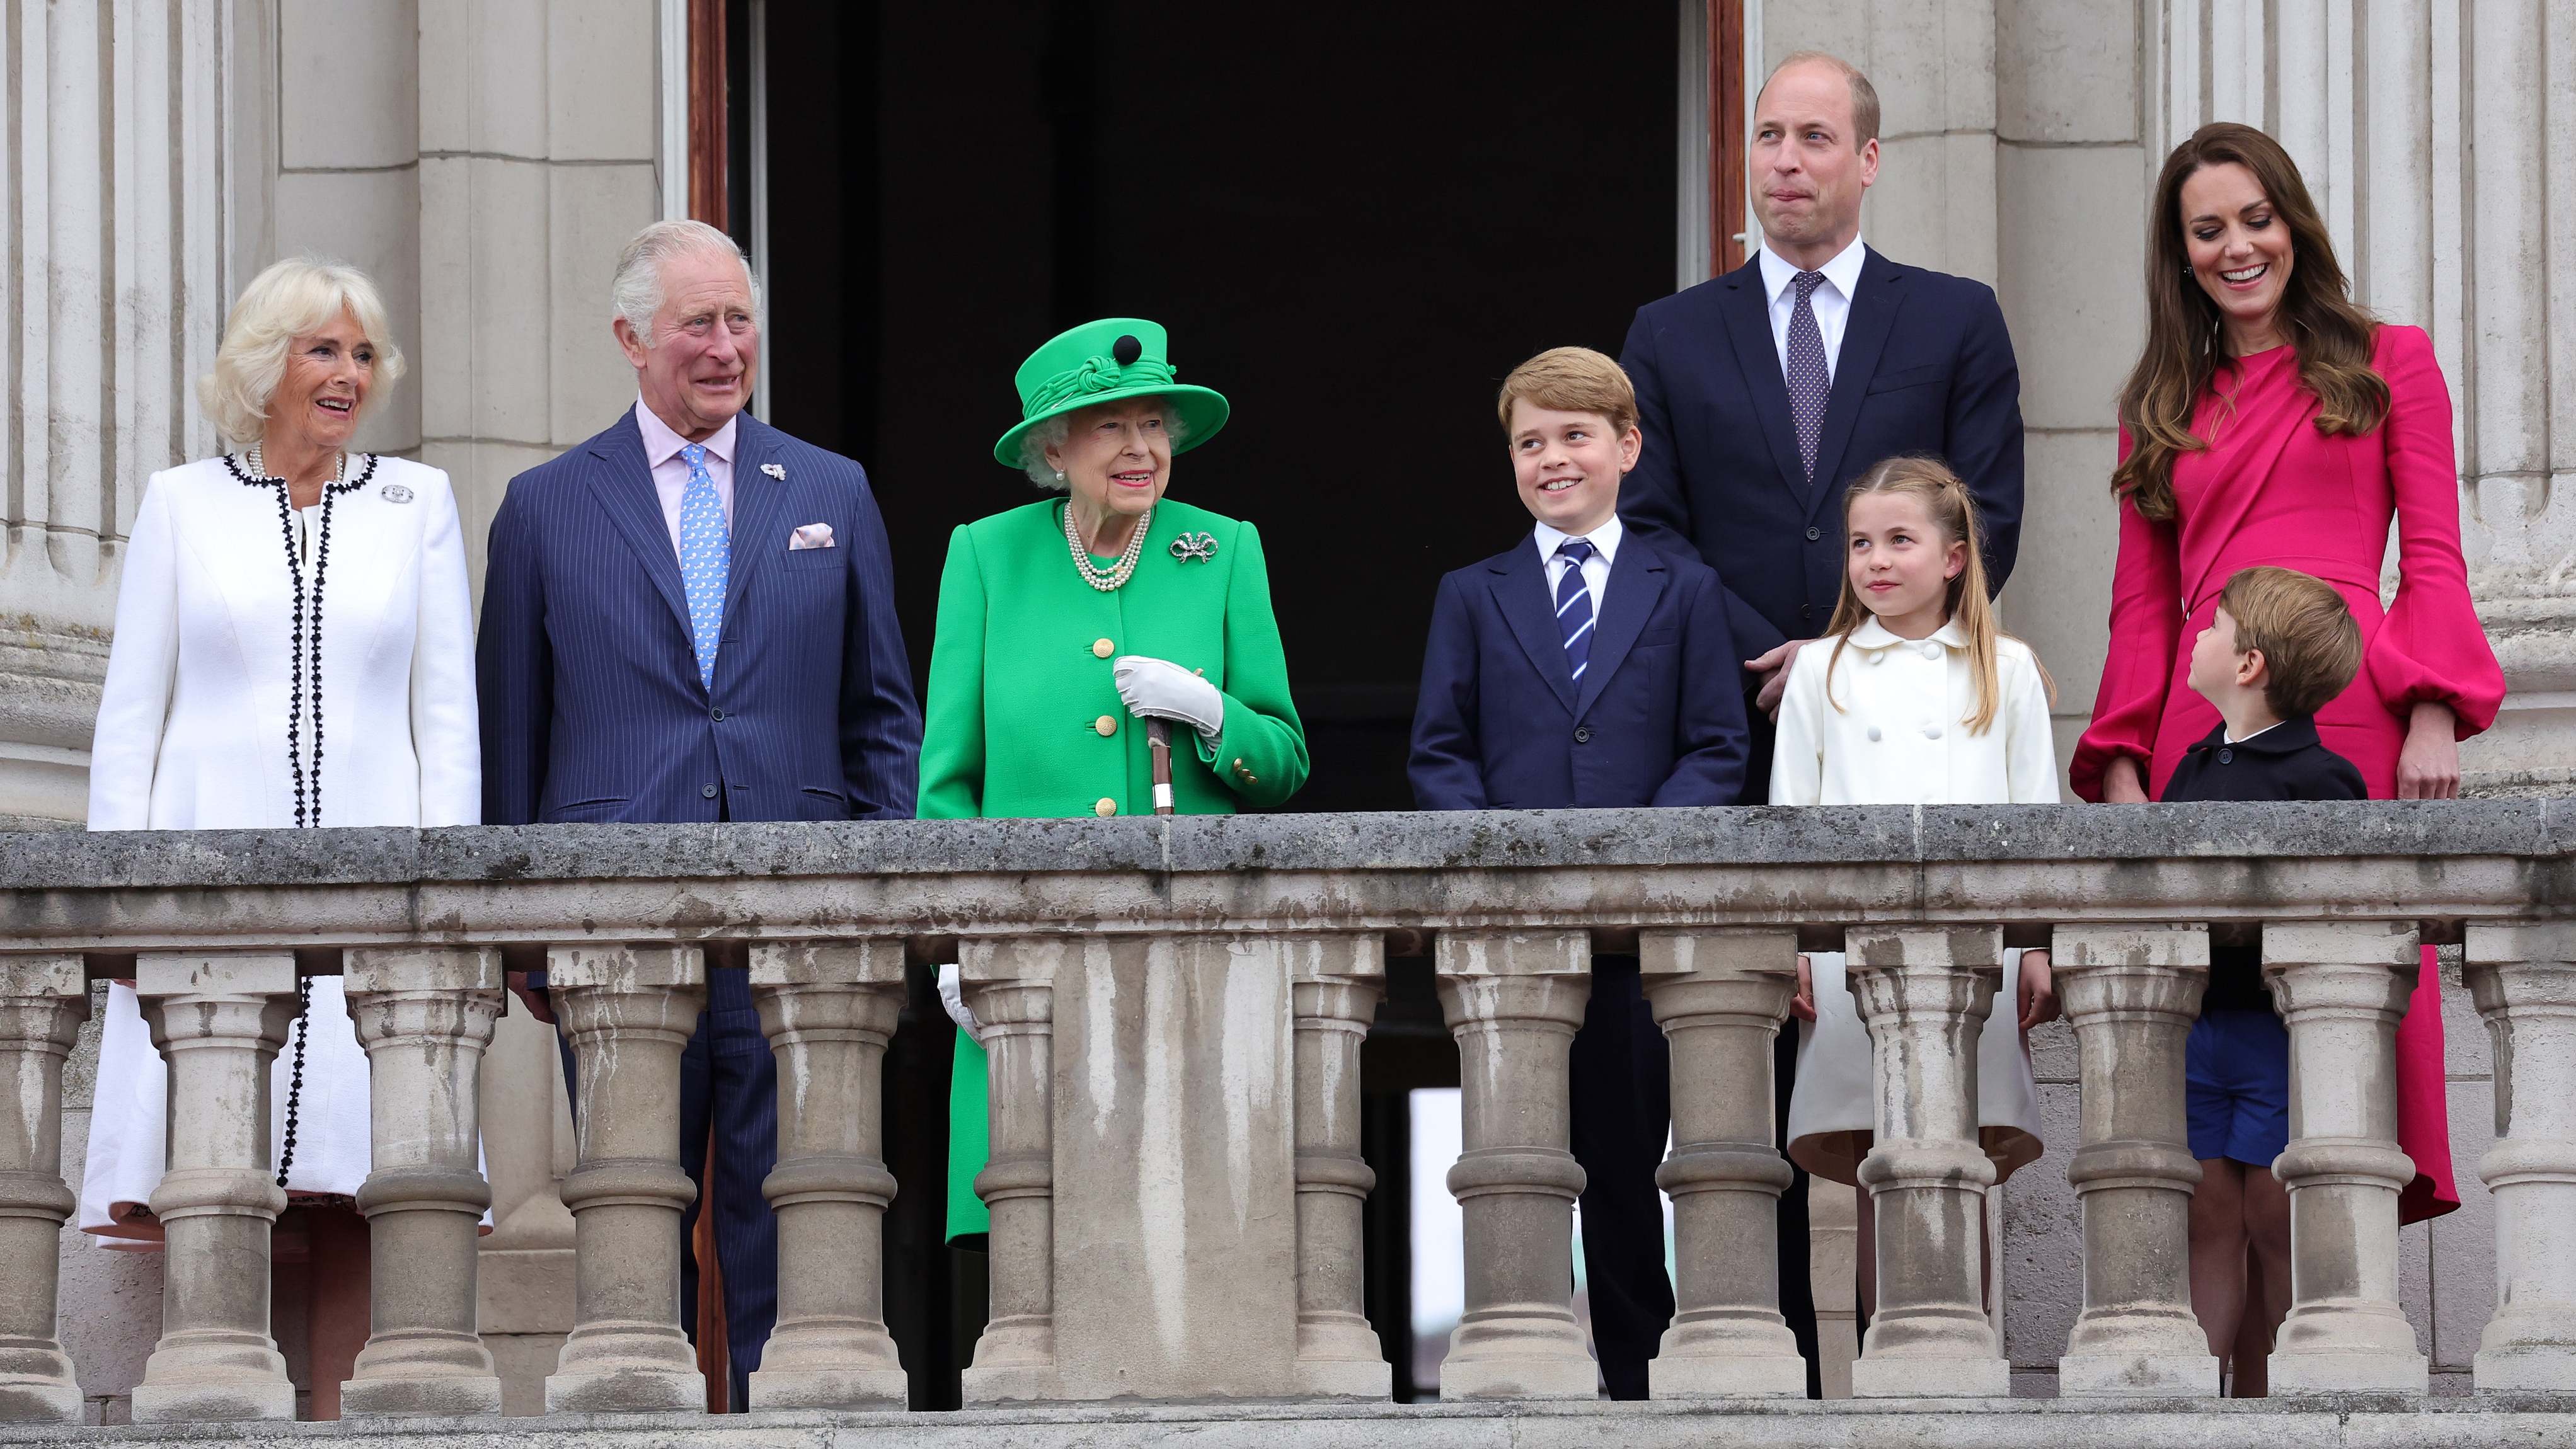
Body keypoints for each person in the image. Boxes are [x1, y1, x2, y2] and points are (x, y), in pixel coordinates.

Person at [1615, 49, 2027, 1386]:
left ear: (1866, 160)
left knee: (1923, 1091)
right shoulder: (1670, 334)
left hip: (1906, 731)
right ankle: (1769, 1363)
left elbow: (1989, 515)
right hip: (1735, 742)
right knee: (1752, 1069)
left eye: (1811, 138)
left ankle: (1932, 1354)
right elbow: (1653, 532)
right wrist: (1776, 657)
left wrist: (1851, 646)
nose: (1783, 161)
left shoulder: (1953, 318)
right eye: (1765, 138)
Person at [475, 219, 921, 1407]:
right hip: (618, 929)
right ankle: (646, 1424)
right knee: (633, 1217)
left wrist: (886, 895)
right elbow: (511, 736)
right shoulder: (543, 506)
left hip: (803, 927)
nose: (727, 348)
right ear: (631, 338)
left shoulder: (832, 488)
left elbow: (882, 714)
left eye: (740, 320)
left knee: (798, 1213)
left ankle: (793, 1421)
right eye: (698, 324)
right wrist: (523, 936)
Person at [2070, 122, 2505, 1230]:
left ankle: (2343, 1337)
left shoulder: (2390, 358)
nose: (2237, 248)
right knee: (2212, 1059)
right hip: (2199, 730)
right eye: (2207, 230)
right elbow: (2140, 604)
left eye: (2256, 220)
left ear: (2292, 224)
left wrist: (2433, 712)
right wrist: (2122, 755)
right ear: (2181, 253)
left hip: (2348, 713)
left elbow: (2436, 561)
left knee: (2343, 1030)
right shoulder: (2159, 401)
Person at [84, 257, 475, 1419]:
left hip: (374, 899)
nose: (349, 374)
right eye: (324, 351)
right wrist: (117, 906)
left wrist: (446, 908)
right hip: (207, 892)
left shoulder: (420, 504)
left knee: (365, 1182)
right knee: (215, 1174)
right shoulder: (178, 504)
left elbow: (444, 722)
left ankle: (346, 1432)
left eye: (363, 354)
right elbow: (128, 722)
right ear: (266, 366)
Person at [922, 318, 1308, 1252]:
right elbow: (948, 783)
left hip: (1189, 953)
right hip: (1031, 956)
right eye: (1111, 428)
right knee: (1035, 1221)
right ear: (1053, 449)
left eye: (1156, 426)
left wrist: (1212, 713)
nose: (1142, 449)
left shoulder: (1223, 551)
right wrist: (950, 940)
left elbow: (1285, 761)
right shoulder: (984, 556)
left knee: (1191, 1231)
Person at [1408, 346, 1746, 1397]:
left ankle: (1639, 1386)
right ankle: (1528, 1371)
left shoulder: (1685, 589)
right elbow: (1440, 750)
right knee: (1517, 1166)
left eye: (1574, 435)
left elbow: (1717, 749)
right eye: (1530, 442)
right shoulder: (1473, 593)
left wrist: (1632, 855)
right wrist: (1503, 865)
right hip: (1516, 942)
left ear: (1627, 448)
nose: (1553, 459)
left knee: (1634, 1163)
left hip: (1640, 943)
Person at [1771, 456, 2059, 1320]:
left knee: (1956, 1163)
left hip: (1976, 956)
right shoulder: (1819, 672)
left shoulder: (2006, 671)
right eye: (1862, 543)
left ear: (1956, 556)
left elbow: (2038, 820)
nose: (1877, 561)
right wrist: (1795, 949)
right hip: (1852, 958)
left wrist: (2037, 943)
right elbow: (1792, 824)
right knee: (1875, 1168)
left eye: (1901, 539)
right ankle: (1888, 1360)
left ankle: (1960, 1356)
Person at [2162, 566, 2366, 1396]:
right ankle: (2199, 1406)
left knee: (2279, 1221)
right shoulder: (2194, 764)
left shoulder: (2325, 780)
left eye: (2213, 626)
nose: (2199, 638)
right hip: (2198, 1029)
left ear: (2248, 664)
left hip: (2276, 1034)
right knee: (2207, 1217)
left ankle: (2293, 1405)